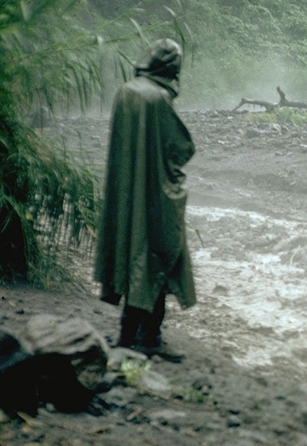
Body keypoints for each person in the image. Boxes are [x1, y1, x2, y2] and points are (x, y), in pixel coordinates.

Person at [94, 38, 196, 362]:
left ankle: (128, 334)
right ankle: (148, 335)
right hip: (154, 192)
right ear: (171, 67)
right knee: (159, 253)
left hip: (125, 192)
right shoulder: (159, 97)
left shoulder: (125, 91)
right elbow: (181, 147)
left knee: (131, 249)